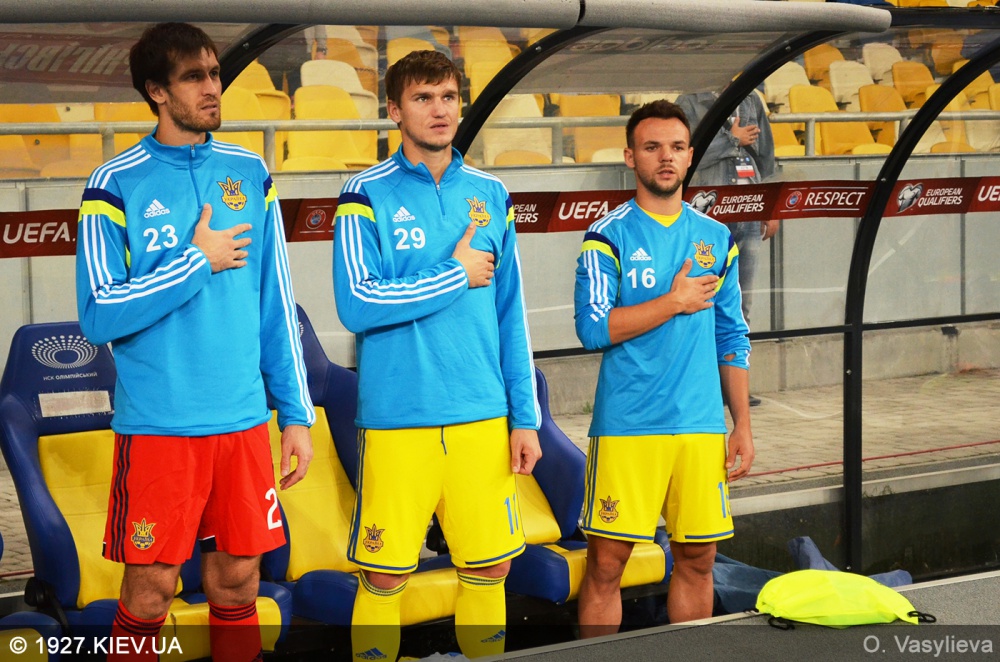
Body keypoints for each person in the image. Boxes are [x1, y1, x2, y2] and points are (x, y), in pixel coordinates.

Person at [75, 22, 314, 662]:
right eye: (193, 77)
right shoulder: (113, 183)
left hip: (242, 423)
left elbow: (275, 303)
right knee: (152, 588)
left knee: (238, 580)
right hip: (161, 426)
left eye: (214, 74)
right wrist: (193, 262)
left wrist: (295, 415)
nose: (212, 87)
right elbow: (98, 313)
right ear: (157, 91)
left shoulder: (249, 171)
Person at [332, 50, 541, 661]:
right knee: (384, 574)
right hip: (400, 418)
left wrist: (524, 416)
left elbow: (511, 316)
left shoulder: (491, 193)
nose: (439, 109)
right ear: (394, 111)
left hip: (482, 415)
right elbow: (357, 303)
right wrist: (453, 274)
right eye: (423, 98)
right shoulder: (364, 193)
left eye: (448, 96)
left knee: (490, 567)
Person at [573, 100, 755, 637]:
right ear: (631, 157)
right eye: (652, 147)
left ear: (691, 155)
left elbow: (731, 336)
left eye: (676, 147)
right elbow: (593, 329)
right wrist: (673, 302)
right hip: (629, 426)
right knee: (608, 565)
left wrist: (742, 424)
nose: (666, 157)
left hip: (700, 427)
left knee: (698, 560)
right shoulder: (607, 236)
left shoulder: (716, 238)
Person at [677, 90, 777, 406]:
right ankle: (704, 386)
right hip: (708, 218)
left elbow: (767, 157)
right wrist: (732, 140)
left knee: (741, 305)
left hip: (750, 214)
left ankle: (734, 386)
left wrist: (771, 207)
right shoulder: (689, 102)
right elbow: (689, 157)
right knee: (702, 302)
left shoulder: (751, 99)